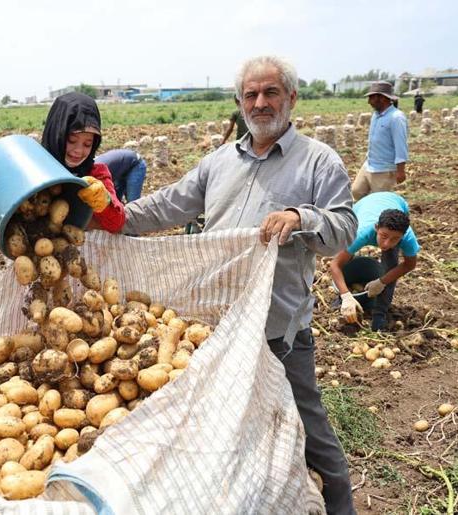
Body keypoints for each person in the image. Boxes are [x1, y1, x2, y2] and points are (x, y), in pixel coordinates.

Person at [121, 55, 357, 515]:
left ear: (291, 97)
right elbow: (168, 205)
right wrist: (111, 219)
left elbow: (345, 228)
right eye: (251, 95)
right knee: (222, 433)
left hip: (278, 333)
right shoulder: (218, 164)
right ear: (239, 102)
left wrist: (300, 217)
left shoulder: (318, 161)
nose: (260, 103)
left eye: (271, 93)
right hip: (215, 329)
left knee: (309, 430)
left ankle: (342, 509)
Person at [0, 92, 125, 241]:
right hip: (32, 251)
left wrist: (105, 202)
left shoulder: (95, 175)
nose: (78, 150)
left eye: (87, 144)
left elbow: (117, 224)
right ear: (57, 134)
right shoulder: (30, 169)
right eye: (71, 140)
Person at [330, 192, 419, 332]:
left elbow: (410, 264)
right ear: (377, 227)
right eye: (383, 236)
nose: (386, 243)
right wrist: (346, 295)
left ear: (402, 235)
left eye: (395, 239)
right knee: (346, 259)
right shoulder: (360, 232)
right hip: (364, 205)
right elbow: (335, 264)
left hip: (397, 202)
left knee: (391, 265)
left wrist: (382, 281)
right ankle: (342, 299)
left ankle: (380, 314)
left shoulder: (406, 238)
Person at [351, 81, 409, 201]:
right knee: (356, 191)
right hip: (370, 164)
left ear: (382, 98)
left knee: (380, 201)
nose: (369, 102)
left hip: (384, 169)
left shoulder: (396, 117)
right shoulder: (376, 115)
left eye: (371, 98)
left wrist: (400, 170)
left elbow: (400, 145)